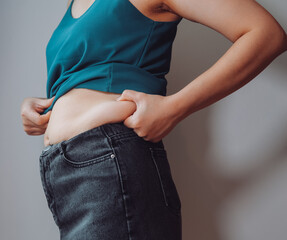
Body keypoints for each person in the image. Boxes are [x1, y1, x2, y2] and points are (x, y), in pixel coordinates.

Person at [20, 0, 286, 239]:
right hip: (64, 173)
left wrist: (174, 108)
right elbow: (88, 74)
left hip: (109, 162)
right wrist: (44, 105)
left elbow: (265, 33)